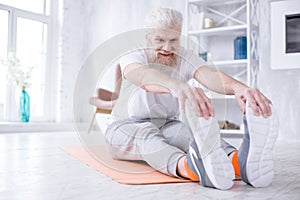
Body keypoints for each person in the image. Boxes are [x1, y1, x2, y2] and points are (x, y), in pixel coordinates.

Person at [104, 7, 278, 190]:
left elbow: (210, 75)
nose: (167, 47)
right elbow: (142, 76)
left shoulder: (183, 56)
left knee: (189, 135)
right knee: (145, 134)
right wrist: (175, 85)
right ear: (148, 37)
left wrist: (239, 88)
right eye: (160, 40)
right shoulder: (133, 53)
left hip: (167, 123)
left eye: (173, 40)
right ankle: (191, 168)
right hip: (123, 125)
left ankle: (238, 163)